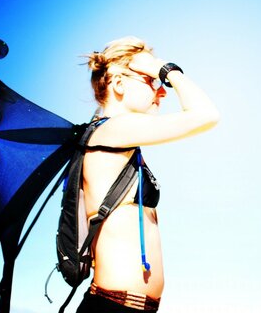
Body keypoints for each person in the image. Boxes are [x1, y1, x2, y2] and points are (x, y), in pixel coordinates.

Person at [76, 36, 219, 312]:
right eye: (151, 79)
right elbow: (206, 115)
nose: (162, 91)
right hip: (111, 306)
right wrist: (166, 69)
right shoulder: (111, 129)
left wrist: (152, 70)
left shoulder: (115, 138)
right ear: (118, 83)